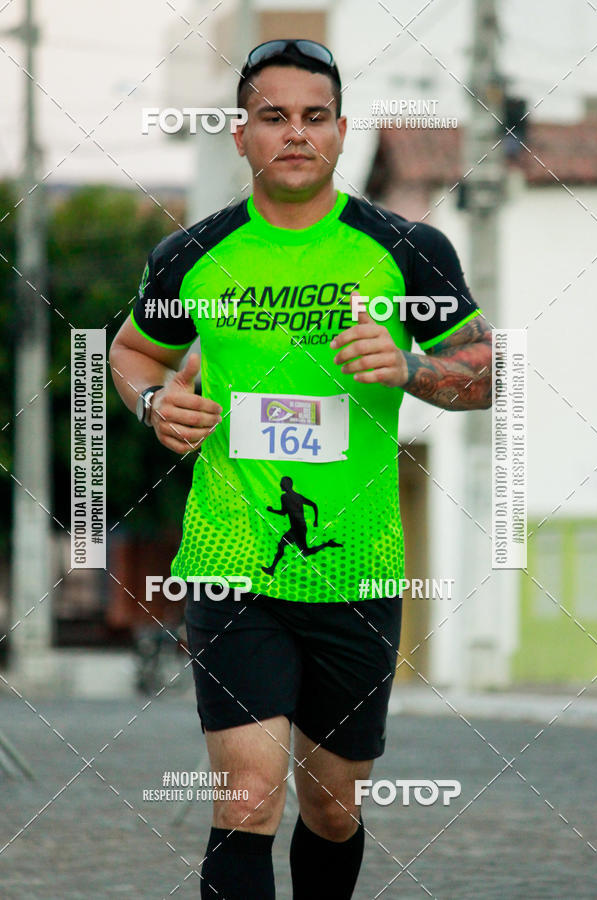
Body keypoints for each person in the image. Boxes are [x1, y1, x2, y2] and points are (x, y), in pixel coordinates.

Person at [109, 38, 492, 899]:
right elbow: (132, 351)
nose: (295, 134)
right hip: (229, 558)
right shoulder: (192, 255)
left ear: (342, 132)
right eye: (273, 117)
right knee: (246, 800)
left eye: (314, 117)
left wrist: (414, 366)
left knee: (331, 810)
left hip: (357, 568)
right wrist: (149, 404)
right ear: (240, 134)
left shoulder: (409, 248)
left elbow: (488, 376)